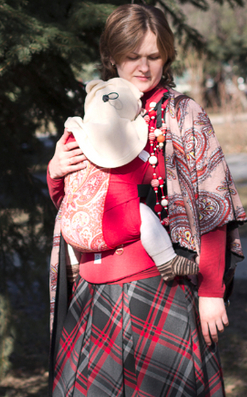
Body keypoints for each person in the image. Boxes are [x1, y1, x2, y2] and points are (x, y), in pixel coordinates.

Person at [34, 4, 247, 397]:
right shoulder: (93, 113)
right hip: (96, 295)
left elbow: (213, 207)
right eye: (132, 56)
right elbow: (76, 207)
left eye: (154, 56)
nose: (144, 67)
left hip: (162, 291)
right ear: (111, 56)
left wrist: (210, 290)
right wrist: (55, 171)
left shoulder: (184, 114)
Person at [59, 76, 199, 283]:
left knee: (67, 215)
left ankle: (72, 267)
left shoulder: (73, 136)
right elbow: (146, 163)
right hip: (108, 227)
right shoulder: (127, 141)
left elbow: (59, 189)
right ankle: (167, 260)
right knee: (143, 215)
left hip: (74, 231)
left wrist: (54, 170)